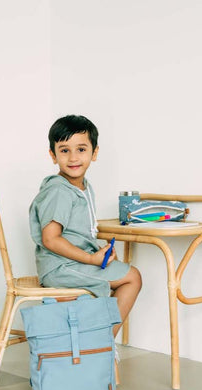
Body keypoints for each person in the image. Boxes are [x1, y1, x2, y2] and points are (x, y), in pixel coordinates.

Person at [29, 114, 142, 336]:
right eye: (64, 150)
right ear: (53, 155)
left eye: (81, 149)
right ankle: (103, 342)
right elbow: (50, 238)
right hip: (60, 268)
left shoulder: (83, 187)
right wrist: (91, 259)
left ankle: (97, 341)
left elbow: (78, 233)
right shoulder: (59, 190)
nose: (73, 158)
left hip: (70, 264)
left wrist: (97, 253)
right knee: (132, 277)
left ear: (94, 152)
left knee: (125, 273)